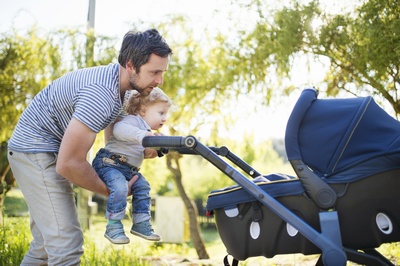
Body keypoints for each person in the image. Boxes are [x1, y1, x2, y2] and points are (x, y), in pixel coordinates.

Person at [7, 29, 172, 265]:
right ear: (130, 65)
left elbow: (114, 139)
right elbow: (69, 163)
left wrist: (127, 161)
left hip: (43, 150)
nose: (159, 81)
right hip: (35, 152)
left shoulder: (122, 89)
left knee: (45, 247)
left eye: (162, 72)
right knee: (66, 246)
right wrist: (112, 190)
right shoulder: (101, 95)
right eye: (154, 72)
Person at [92, 87, 171, 244]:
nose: (165, 118)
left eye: (166, 114)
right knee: (120, 187)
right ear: (143, 110)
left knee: (143, 187)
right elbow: (119, 130)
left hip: (128, 170)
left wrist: (161, 147)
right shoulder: (133, 120)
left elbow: (147, 153)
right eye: (161, 113)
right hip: (109, 164)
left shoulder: (146, 130)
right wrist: (144, 136)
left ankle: (140, 223)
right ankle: (113, 227)